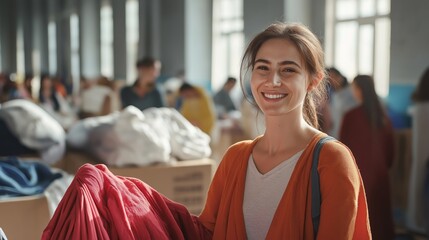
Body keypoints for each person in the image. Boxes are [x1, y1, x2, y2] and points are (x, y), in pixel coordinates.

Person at [42, 22, 371, 239]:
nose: (273, 82)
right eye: (262, 68)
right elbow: (206, 233)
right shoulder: (237, 157)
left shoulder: (330, 161)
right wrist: (123, 198)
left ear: (313, 79)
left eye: (288, 70)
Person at [339, 75, 395, 240]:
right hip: (380, 175)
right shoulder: (383, 117)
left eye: (354, 88)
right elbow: (391, 152)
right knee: (380, 222)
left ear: (359, 90)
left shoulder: (351, 116)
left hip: (358, 176)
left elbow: (343, 151)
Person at [407, 66, 429, 233]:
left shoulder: (419, 108)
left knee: (418, 181)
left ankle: (416, 221)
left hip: (420, 152)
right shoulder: (422, 109)